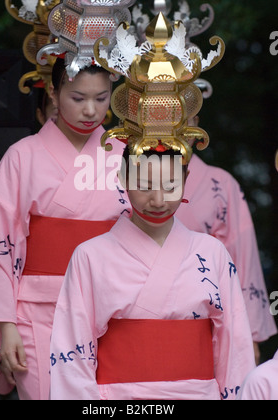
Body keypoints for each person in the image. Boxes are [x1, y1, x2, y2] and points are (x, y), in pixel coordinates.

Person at [0, 57, 131, 400]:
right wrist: (6, 326)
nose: (91, 110)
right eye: (78, 98)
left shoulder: (123, 157)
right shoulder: (23, 156)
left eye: (102, 98)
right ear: (53, 91)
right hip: (35, 312)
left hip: (111, 310)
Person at [50, 147, 255, 400]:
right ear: (123, 178)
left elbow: (235, 346)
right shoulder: (90, 255)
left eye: (171, 186)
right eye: (145, 187)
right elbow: (72, 351)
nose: (158, 201)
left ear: (186, 178)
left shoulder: (213, 252)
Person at [176, 117, 277, 364]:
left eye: (184, 118)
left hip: (203, 318)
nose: (175, 127)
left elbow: (243, 260)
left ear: (197, 122)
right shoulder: (121, 176)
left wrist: (249, 334)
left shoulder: (220, 184)